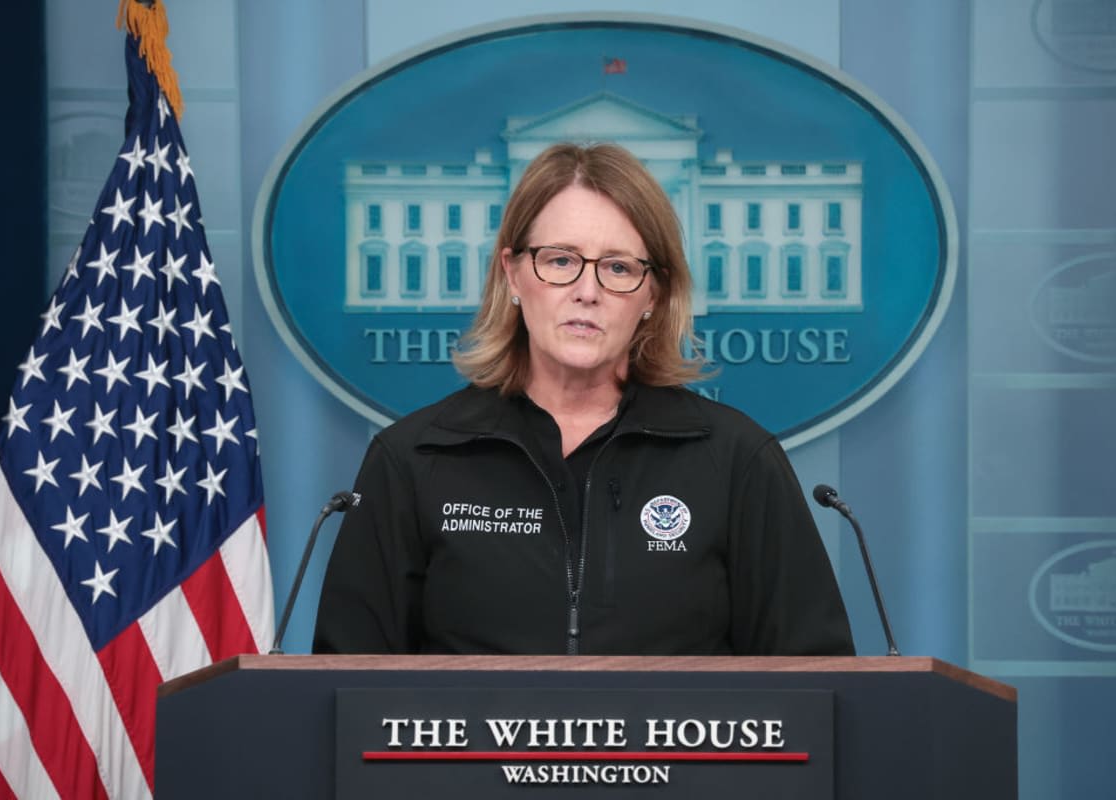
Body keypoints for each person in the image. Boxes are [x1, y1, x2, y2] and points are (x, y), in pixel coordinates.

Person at [312, 142, 855, 656]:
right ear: (513, 274)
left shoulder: (738, 460)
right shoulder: (413, 459)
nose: (587, 290)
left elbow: (817, 688)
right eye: (560, 259)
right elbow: (344, 695)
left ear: (652, 295)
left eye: (618, 267)